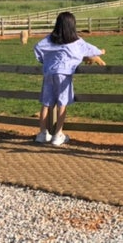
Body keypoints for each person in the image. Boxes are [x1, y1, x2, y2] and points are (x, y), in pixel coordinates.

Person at [33, 11, 106, 146]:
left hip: (49, 73)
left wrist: (45, 61)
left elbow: (37, 48)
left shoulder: (50, 39)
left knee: (46, 103)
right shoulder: (76, 41)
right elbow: (90, 49)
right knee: (62, 103)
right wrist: (100, 52)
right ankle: (58, 134)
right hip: (64, 74)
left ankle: (42, 133)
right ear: (72, 25)